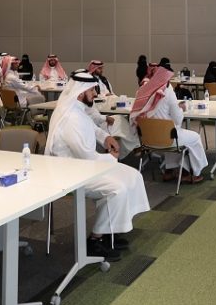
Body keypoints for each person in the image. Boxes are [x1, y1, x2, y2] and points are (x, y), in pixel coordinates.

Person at [46, 73, 150, 260]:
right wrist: (110, 158)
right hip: (71, 172)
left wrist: (106, 137)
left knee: (132, 175)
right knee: (117, 189)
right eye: (92, 90)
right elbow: (86, 155)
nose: (95, 93)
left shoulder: (76, 109)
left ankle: (111, 230)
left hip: (85, 166)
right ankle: (95, 241)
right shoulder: (70, 117)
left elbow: (91, 127)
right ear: (80, 92)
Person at [130, 65, 206, 183]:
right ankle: (193, 173)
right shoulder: (168, 92)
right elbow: (178, 119)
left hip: (147, 139)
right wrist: (181, 108)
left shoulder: (142, 91)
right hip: (167, 138)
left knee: (171, 134)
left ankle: (169, 171)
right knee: (193, 137)